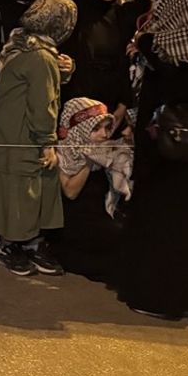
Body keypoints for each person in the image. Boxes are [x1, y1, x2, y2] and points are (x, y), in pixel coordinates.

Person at [117, 0, 188, 318]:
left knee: (170, 216)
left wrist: (148, 44)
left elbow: (180, 73)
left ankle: (161, 295)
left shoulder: (185, 1)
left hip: (177, 139)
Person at [0, 0, 77, 276]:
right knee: (23, 186)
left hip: (13, 131)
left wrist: (67, 71)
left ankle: (31, 241)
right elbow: (42, 101)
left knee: (28, 186)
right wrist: (47, 141)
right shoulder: (40, 56)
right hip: (23, 133)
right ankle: (11, 243)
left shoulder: (22, 44)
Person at [53, 97, 131, 284]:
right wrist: (89, 161)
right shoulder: (64, 152)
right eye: (96, 129)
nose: (104, 134)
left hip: (98, 217)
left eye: (106, 128)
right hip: (74, 225)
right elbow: (70, 192)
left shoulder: (103, 151)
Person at [60, 0, 134, 122]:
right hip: (76, 105)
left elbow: (125, 65)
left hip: (111, 107)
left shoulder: (123, 17)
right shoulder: (74, 13)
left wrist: (123, 105)